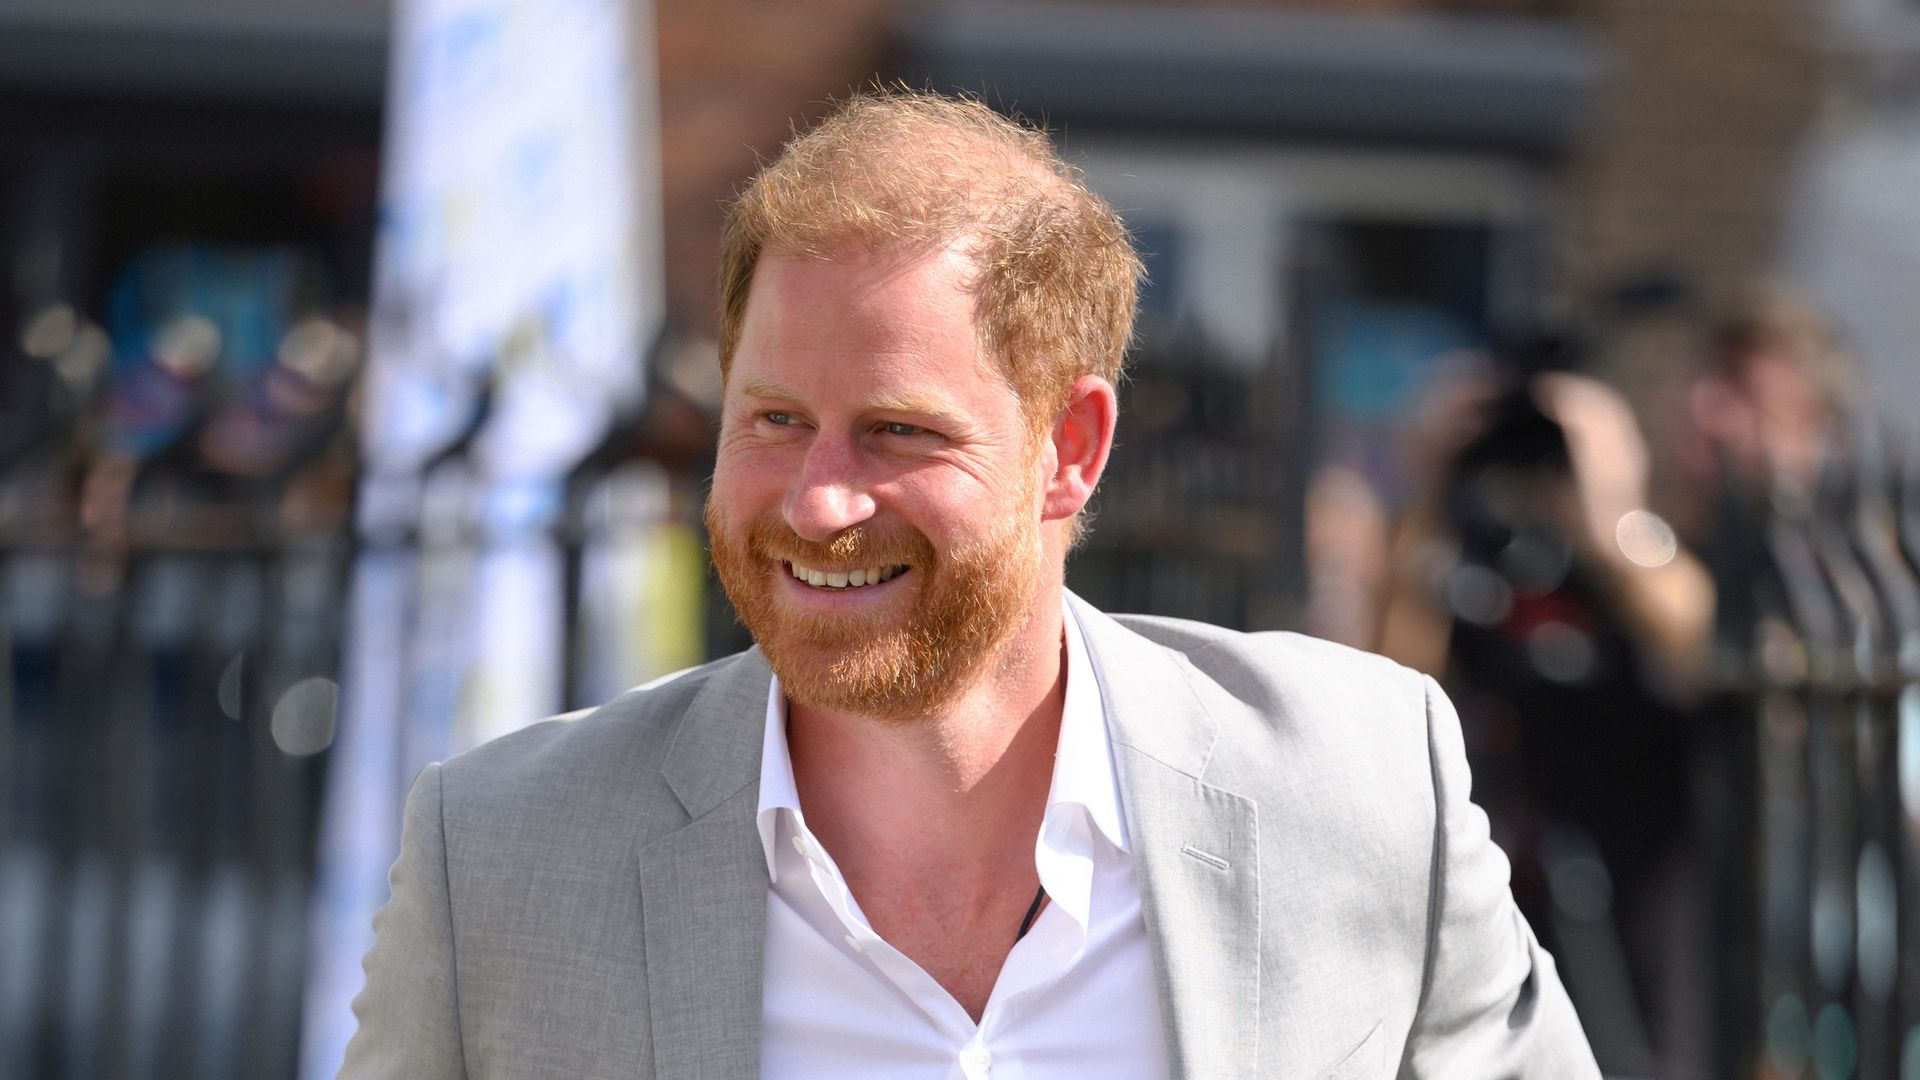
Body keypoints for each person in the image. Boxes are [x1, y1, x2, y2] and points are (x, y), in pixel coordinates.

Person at [341, 89, 1600, 1079]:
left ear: (1073, 449)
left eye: (898, 431)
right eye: (773, 418)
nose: (821, 502)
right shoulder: (505, 856)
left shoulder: (1358, 788)